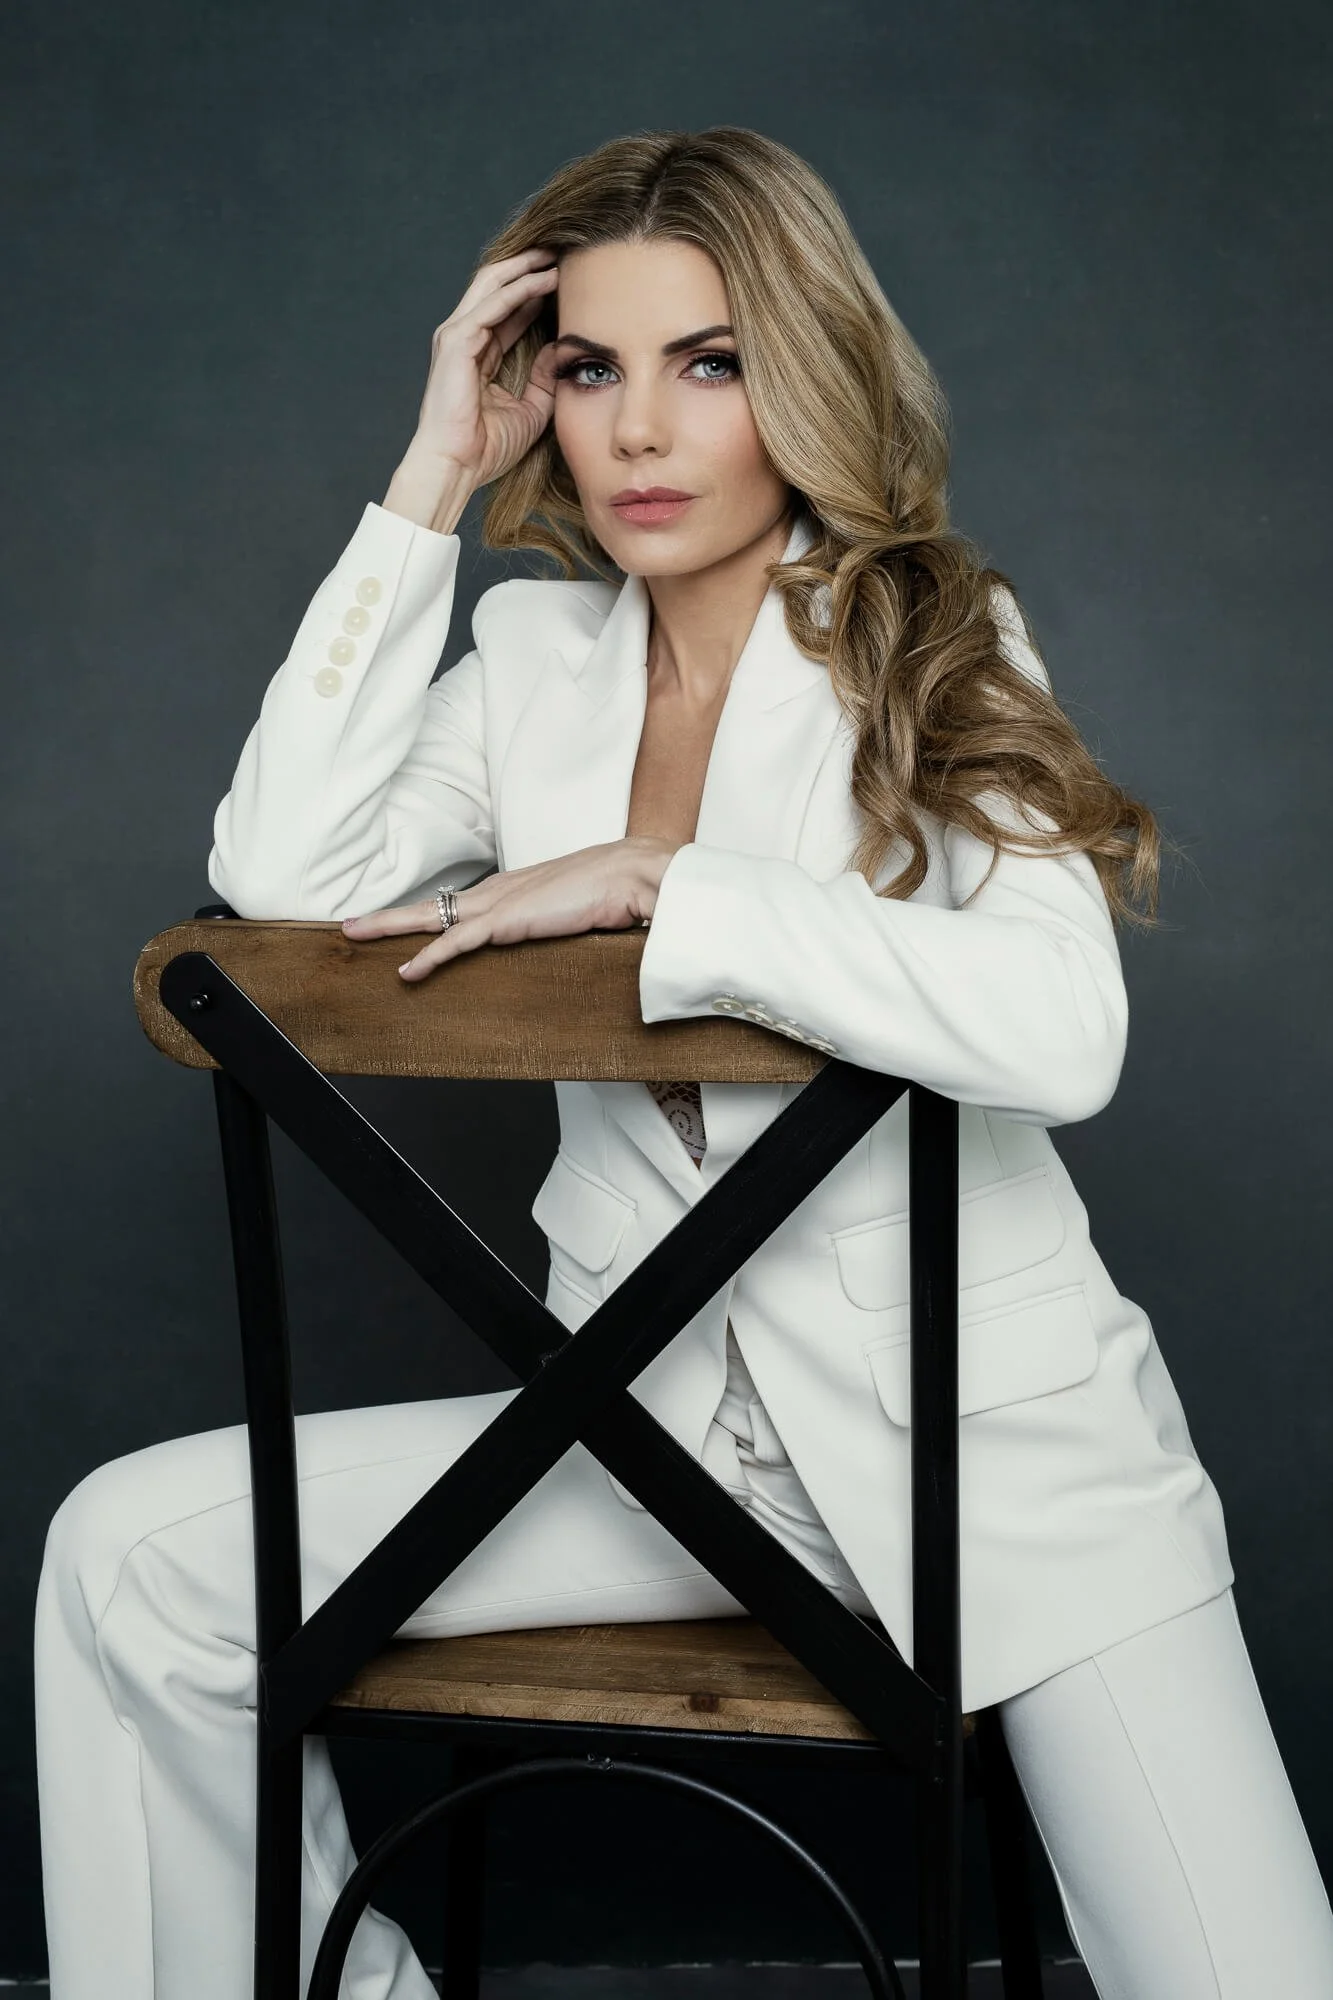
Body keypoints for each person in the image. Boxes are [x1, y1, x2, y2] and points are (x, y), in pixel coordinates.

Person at [35, 125, 1333, 2000]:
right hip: (640, 1450)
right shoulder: (531, 662)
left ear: (796, 374)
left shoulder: (933, 648)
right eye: (588, 367)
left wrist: (673, 887)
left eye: (706, 363)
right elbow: (281, 875)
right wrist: (425, 484)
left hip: (995, 1465)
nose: (640, 430)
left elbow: (1065, 1032)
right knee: (127, 1563)